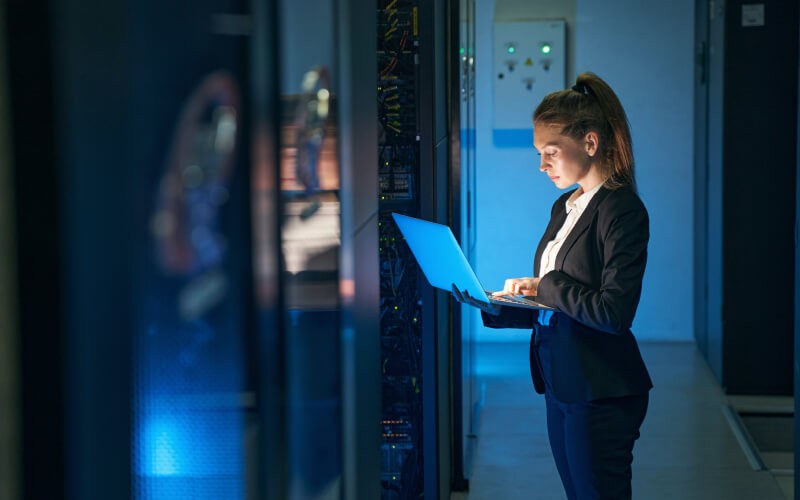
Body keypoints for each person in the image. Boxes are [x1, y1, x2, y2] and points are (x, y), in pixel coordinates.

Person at [453, 72, 652, 499]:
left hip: (601, 388)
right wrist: (495, 304)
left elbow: (614, 313)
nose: (541, 165)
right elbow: (558, 305)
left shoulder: (622, 211)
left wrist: (545, 285)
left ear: (591, 143)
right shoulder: (565, 204)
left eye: (550, 152)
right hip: (562, 378)